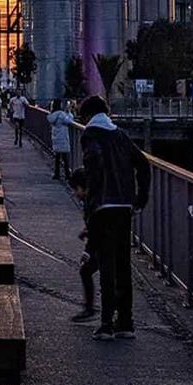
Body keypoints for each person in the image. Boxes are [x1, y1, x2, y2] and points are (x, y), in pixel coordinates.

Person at [79, 94, 151, 341]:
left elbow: (94, 161)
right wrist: (140, 198)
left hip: (102, 207)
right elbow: (142, 163)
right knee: (123, 263)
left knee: (106, 263)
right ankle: (126, 322)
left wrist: (92, 195)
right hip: (124, 206)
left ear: (87, 115)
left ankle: (106, 323)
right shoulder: (120, 134)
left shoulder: (90, 134)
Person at [67, 167, 99, 323]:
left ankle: (90, 309)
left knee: (86, 271)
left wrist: (87, 252)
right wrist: (85, 231)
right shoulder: (94, 199)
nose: (75, 193)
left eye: (76, 189)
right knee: (88, 272)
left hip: (101, 244)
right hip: (103, 242)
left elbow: (96, 227)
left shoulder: (92, 203)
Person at [47, 98, 75, 181]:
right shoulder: (62, 115)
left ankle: (57, 173)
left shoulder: (53, 114)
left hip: (56, 136)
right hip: (63, 136)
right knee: (65, 157)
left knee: (57, 157)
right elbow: (70, 121)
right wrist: (69, 112)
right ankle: (67, 174)